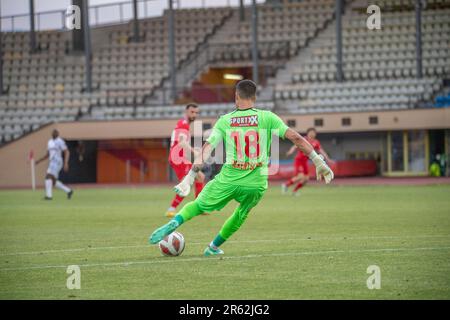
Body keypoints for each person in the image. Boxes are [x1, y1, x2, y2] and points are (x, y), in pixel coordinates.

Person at [149, 80, 334, 256]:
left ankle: (175, 222)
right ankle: (213, 247)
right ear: (254, 97)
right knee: (241, 213)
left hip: (229, 177)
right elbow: (296, 138)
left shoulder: (225, 120)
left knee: (197, 205)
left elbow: (206, 150)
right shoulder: (267, 117)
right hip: (255, 182)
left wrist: (189, 177)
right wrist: (318, 161)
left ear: (236, 97)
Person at [166, 103, 206, 217]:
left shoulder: (185, 125)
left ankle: (199, 207)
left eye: (196, 113)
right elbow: (181, 142)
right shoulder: (183, 124)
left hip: (181, 157)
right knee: (186, 183)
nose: (194, 115)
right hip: (177, 158)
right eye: (192, 112)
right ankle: (171, 208)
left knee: (200, 177)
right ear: (186, 112)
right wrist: (195, 152)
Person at [282, 127, 333, 196]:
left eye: (313, 133)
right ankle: (286, 185)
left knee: (306, 179)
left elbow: (321, 151)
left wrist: (328, 159)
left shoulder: (316, 142)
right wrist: (290, 151)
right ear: (308, 133)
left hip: (305, 162)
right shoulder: (304, 139)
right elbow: (295, 146)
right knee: (300, 176)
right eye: (311, 132)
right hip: (299, 160)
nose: (312, 134)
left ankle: (294, 191)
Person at [36, 129, 73, 200]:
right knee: (53, 181)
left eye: (56, 132)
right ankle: (69, 191)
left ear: (58, 134)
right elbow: (47, 154)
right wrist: (39, 160)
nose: (54, 133)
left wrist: (66, 162)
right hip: (52, 162)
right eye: (53, 132)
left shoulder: (60, 141)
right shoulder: (49, 142)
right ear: (51, 133)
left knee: (48, 176)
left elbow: (67, 152)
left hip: (57, 162)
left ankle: (49, 196)